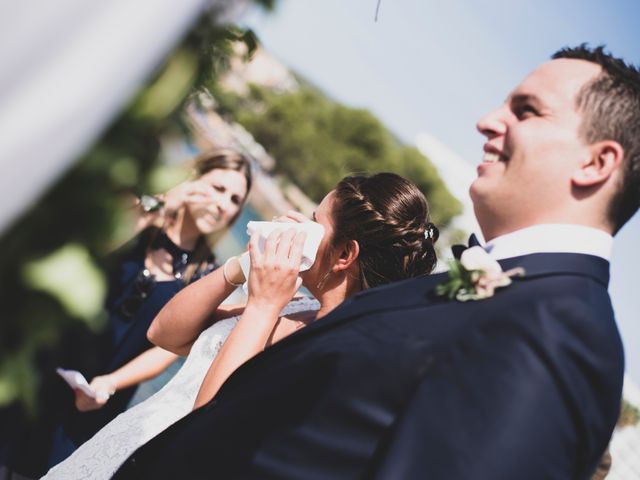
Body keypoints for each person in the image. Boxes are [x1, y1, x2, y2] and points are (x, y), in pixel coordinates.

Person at [110, 45, 639, 480]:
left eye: (526, 110)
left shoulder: (558, 334)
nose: (485, 121)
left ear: (597, 162)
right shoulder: (491, 297)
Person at [40, 172, 439, 479]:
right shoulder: (296, 301)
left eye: (315, 221)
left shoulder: (334, 344)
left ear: (344, 255)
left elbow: (205, 426)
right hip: (116, 448)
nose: (300, 224)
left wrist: (263, 306)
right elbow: (165, 333)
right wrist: (242, 266)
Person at [6, 148, 253, 479]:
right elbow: (94, 246)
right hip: (39, 365)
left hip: (96, 397)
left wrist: (110, 384)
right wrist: (158, 206)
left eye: (236, 199)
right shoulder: (137, 216)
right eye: (218, 188)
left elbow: (168, 350)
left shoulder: (206, 277)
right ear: (193, 180)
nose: (224, 204)